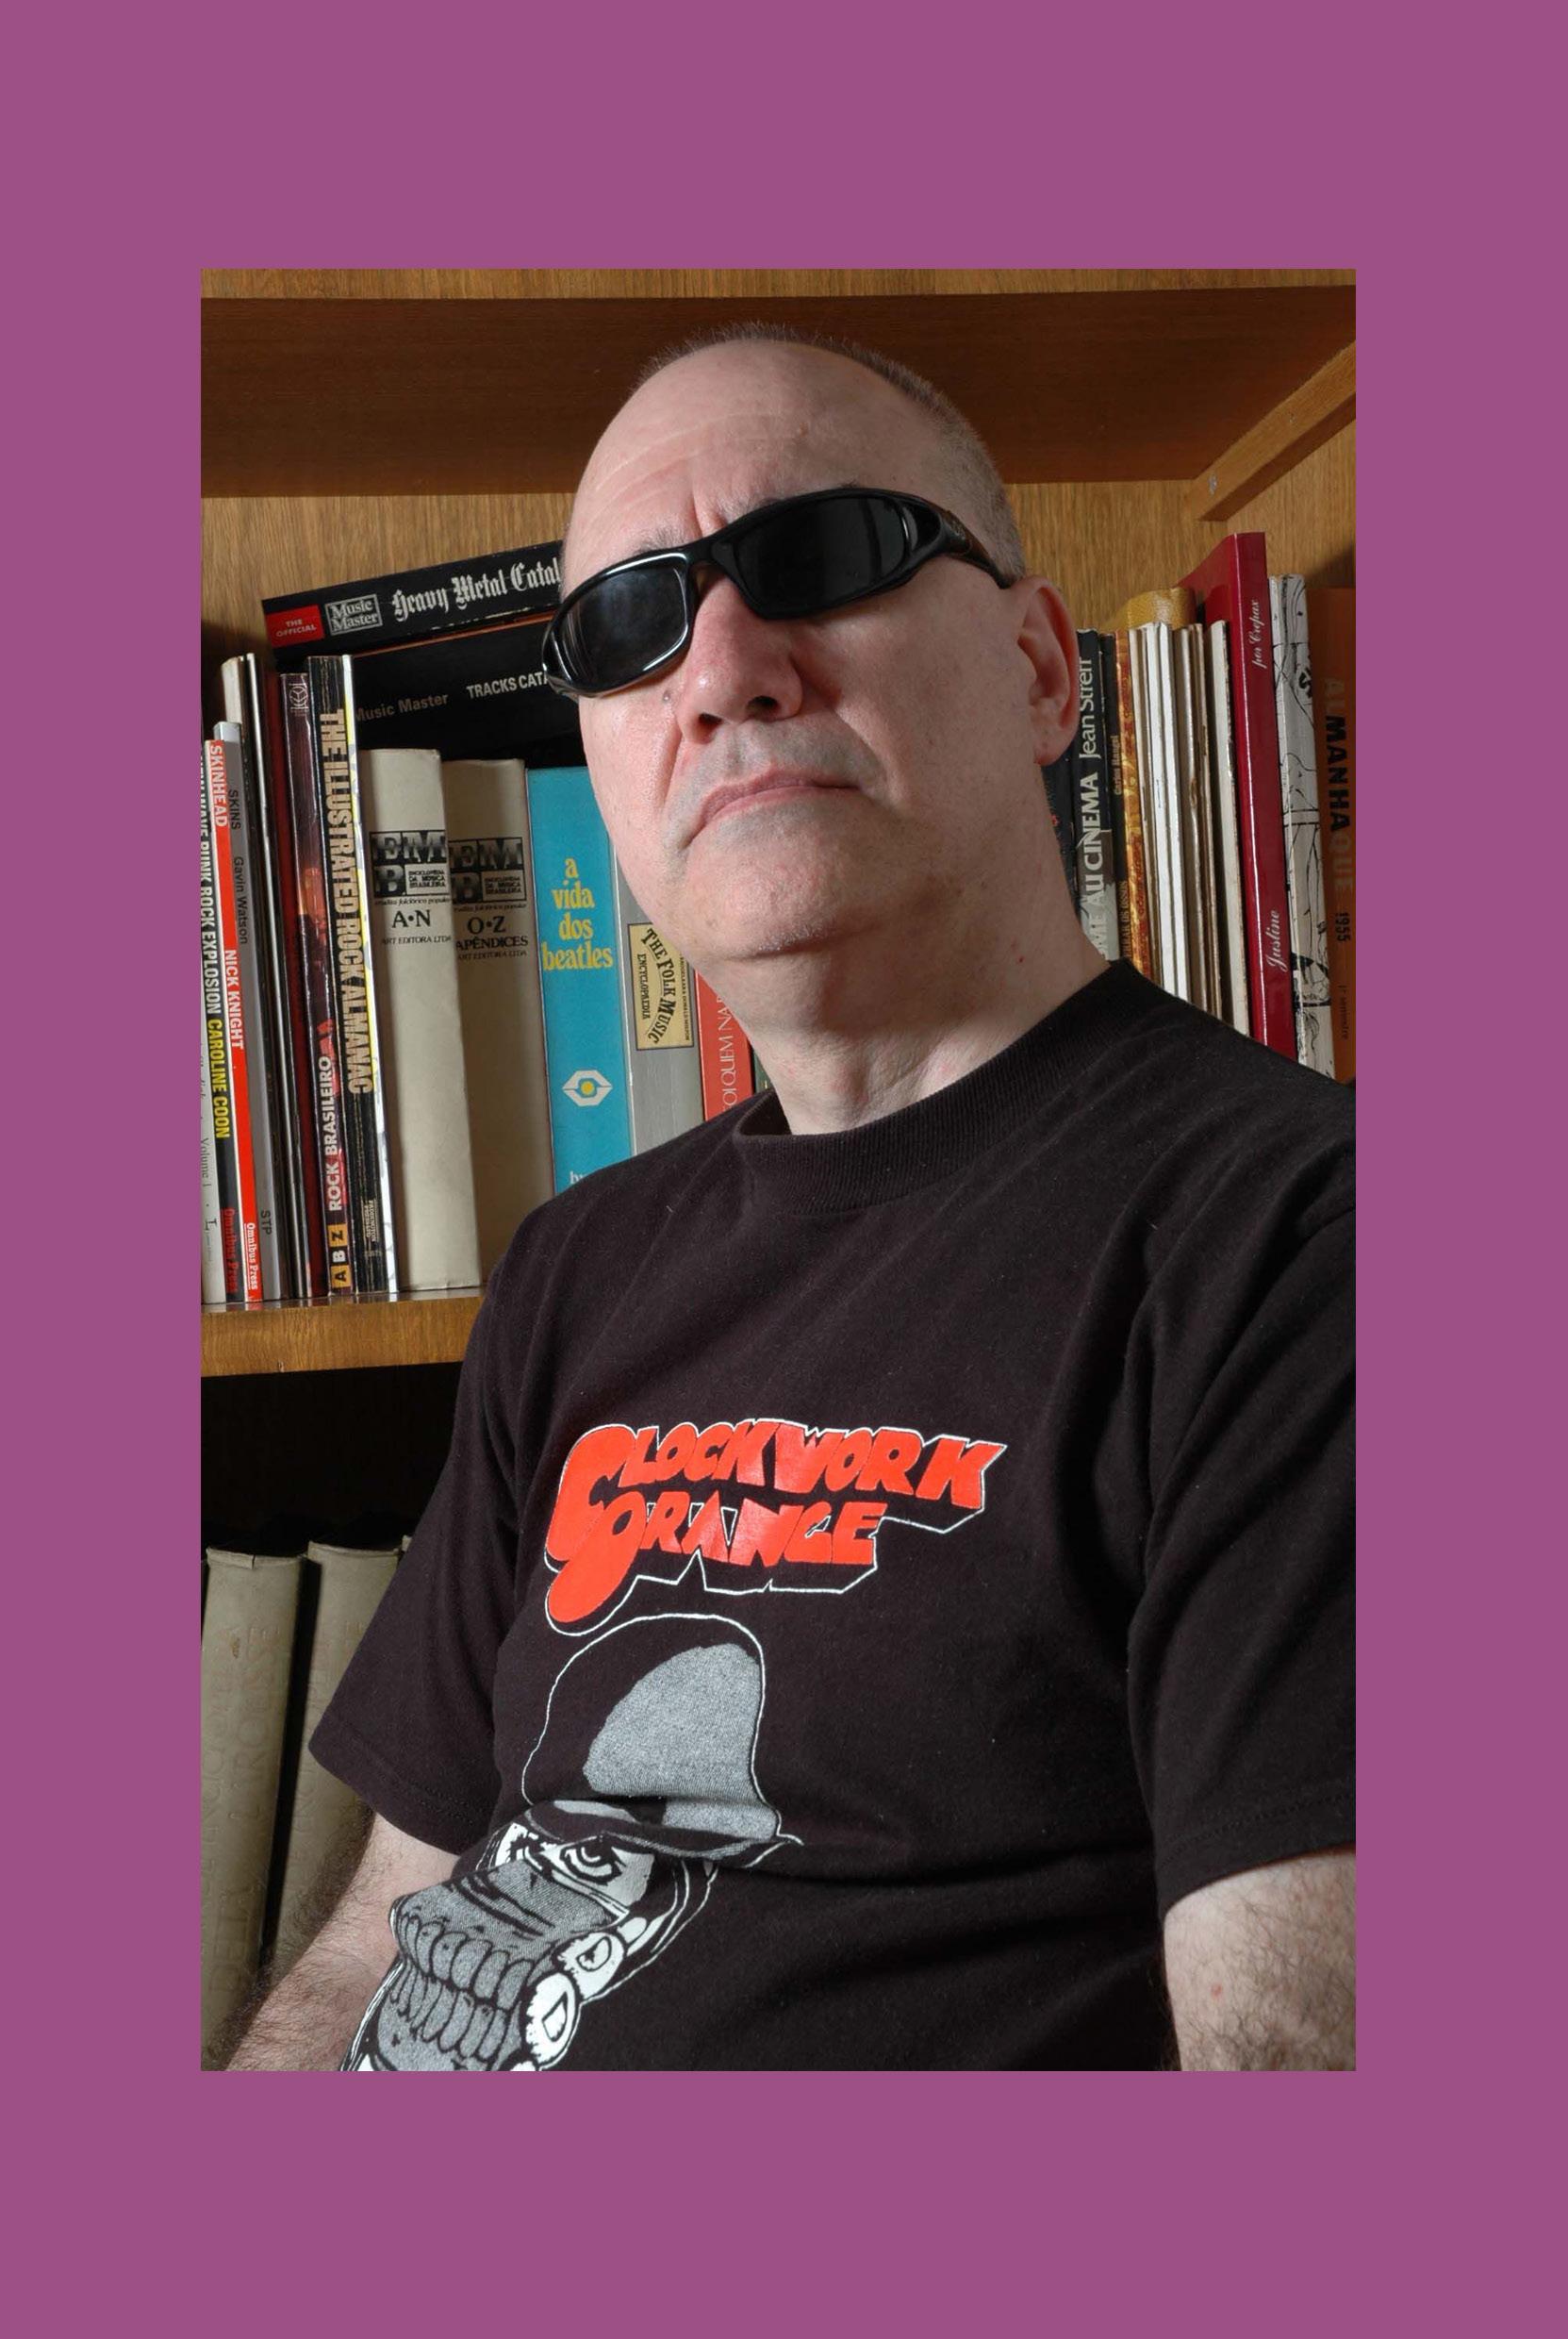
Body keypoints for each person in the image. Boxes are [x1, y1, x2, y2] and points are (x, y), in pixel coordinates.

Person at [230, 327, 1354, 2072]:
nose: (724, 669)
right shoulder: (576, 1267)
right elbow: (387, 1925)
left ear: (1040, 670)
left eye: (821, 555)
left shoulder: (1312, 1238)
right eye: (629, 623)